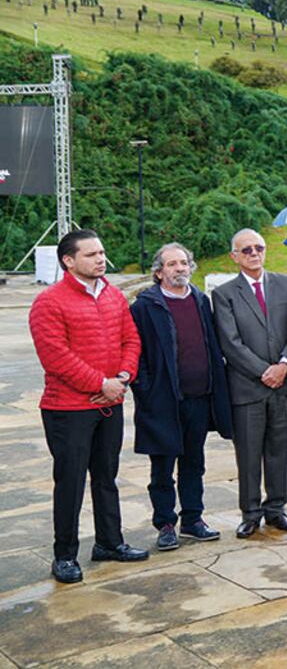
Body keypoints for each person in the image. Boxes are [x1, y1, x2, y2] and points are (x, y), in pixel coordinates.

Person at [30, 230, 147, 583]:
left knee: (106, 476)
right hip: (68, 409)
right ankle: (64, 555)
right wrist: (101, 384)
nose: (101, 259)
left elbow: (132, 338)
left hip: (109, 402)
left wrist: (122, 378)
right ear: (69, 261)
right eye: (91, 254)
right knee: (70, 482)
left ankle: (109, 542)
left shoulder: (112, 295)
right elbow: (55, 357)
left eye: (102, 253)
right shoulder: (49, 302)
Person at [130, 243, 233, 551]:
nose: (180, 268)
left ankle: (193, 519)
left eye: (184, 262)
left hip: (199, 398)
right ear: (159, 271)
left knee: (193, 462)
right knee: (161, 467)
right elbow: (137, 355)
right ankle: (165, 523)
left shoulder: (201, 301)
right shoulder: (144, 306)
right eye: (172, 264)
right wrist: (147, 391)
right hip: (162, 401)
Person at [213, 229, 287, 538]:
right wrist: (265, 371)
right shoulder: (223, 294)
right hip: (248, 387)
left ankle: (276, 509)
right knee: (248, 454)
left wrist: (284, 366)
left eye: (259, 247)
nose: (254, 253)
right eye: (246, 249)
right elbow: (230, 343)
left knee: (279, 450)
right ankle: (250, 513)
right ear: (234, 256)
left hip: (283, 383)